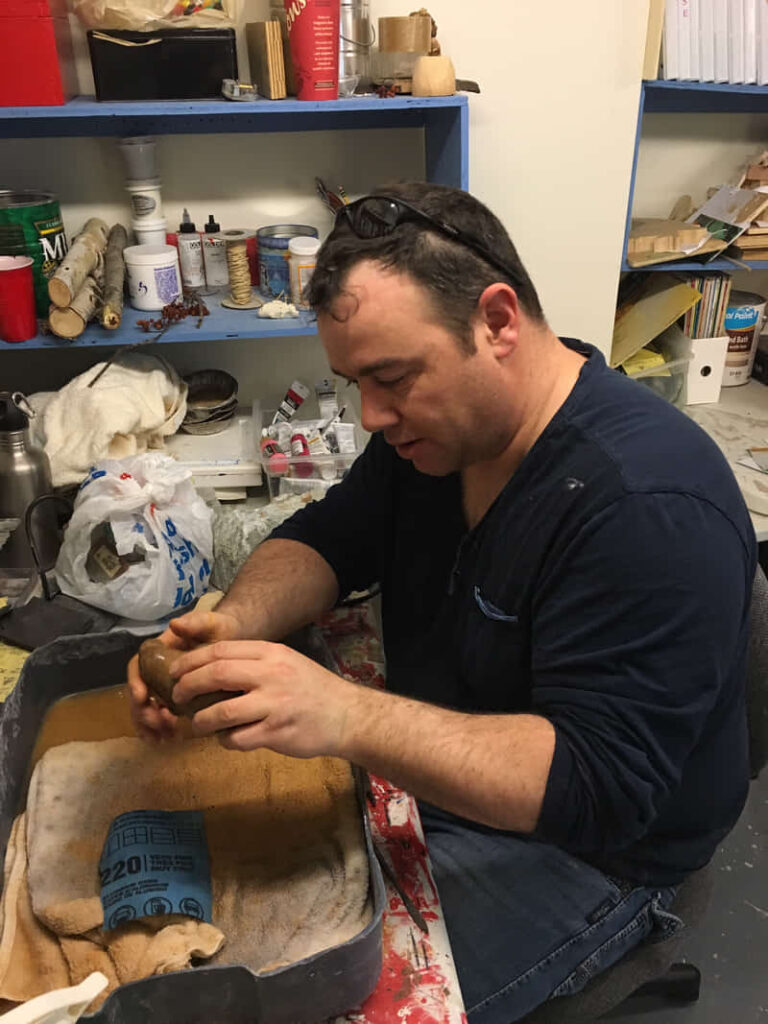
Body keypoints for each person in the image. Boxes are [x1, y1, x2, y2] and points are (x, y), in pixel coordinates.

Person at [128, 183, 757, 1023]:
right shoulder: (442, 431)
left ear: (496, 322)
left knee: (297, 996)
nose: (371, 414)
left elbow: (595, 785)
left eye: (391, 378)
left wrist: (343, 714)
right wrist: (231, 626)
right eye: (355, 382)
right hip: (451, 779)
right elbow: (333, 534)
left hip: (598, 851)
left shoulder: (645, 506)